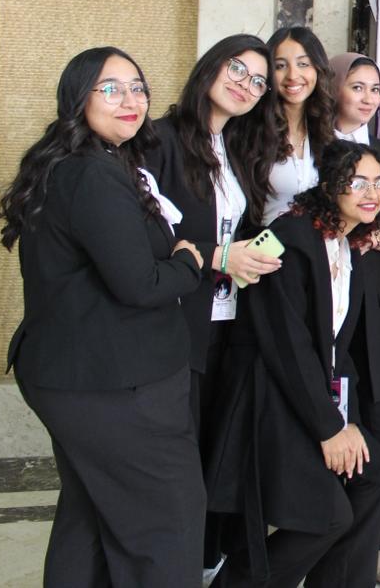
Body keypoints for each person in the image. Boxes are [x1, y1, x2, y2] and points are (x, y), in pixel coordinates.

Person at [0, 47, 206, 585]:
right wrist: (188, 262)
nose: (130, 99)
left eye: (137, 87)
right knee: (168, 523)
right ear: (78, 98)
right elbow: (141, 284)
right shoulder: (93, 173)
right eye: (110, 89)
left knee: (90, 512)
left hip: (74, 375)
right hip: (114, 383)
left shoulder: (72, 162)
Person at [205, 141, 380, 587]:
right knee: (329, 515)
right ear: (329, 186)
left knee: (373, 472)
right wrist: (330, 428)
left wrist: (348, 421)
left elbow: (336, 349)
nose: (372, 193)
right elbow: (287, 346)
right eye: (358, 182)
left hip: (312, 394)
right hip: (269, 397)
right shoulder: (289, 237)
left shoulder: (346, 245)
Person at [142, 34, 282, 577]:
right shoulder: (159, 140)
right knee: (174, 462)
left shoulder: (235, 149)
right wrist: (221, 255)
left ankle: (203, 559)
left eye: (258, 81)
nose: (246, 84)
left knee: (212, 453)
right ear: (210, 67)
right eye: (237, 69)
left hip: (227, 321)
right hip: (176, 325)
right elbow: (145, 240)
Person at [329, 52, 380, 583]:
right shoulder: (311, 147)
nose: (366, 97)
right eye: (356, 86)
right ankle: (327, 528)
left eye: (374, 88)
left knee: (378, 412)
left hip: (374, 289)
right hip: (323, 289)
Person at [262, 27, 337, 225]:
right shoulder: (252, 131)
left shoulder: (325, 132)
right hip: (263, 241)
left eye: (303, 64)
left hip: (316, 242)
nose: (293, 75)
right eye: (280, 66)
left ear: (318, 69)